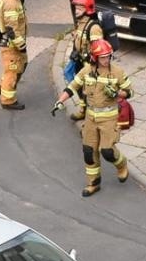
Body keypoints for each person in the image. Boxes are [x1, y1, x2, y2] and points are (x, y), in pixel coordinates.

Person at [53, 38, 131, 197]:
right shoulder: (86, 71)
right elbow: (72, 87)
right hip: (90, 118)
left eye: (108, 56)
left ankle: (121, 164)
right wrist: (60, 101)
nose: (106, 60)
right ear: (94, 57)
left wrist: (117, 93)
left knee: (107, 151)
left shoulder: (117, 72)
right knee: (89, 151)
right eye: (103, 57)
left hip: (108, 117)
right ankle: (93, 183)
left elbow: (129, 92)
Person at [64, 0, 106, 120]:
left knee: (89, 91)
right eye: (76, 7)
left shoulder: (93, 28)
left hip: (89, 65)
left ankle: (90, 119)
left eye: (80, 8)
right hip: (80, 61)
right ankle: (83, 109)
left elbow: (98, 49)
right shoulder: (81, 23)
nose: (76, 11)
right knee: (77, 84)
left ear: (87, 9)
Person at [0, 0, 31, 111]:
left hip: (13, 44)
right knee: (13, 71)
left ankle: (2, 87)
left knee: (21, 65)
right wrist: (21, 45)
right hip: (13, 46)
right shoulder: (12, 3)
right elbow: (12, 30)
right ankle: (8, 100)